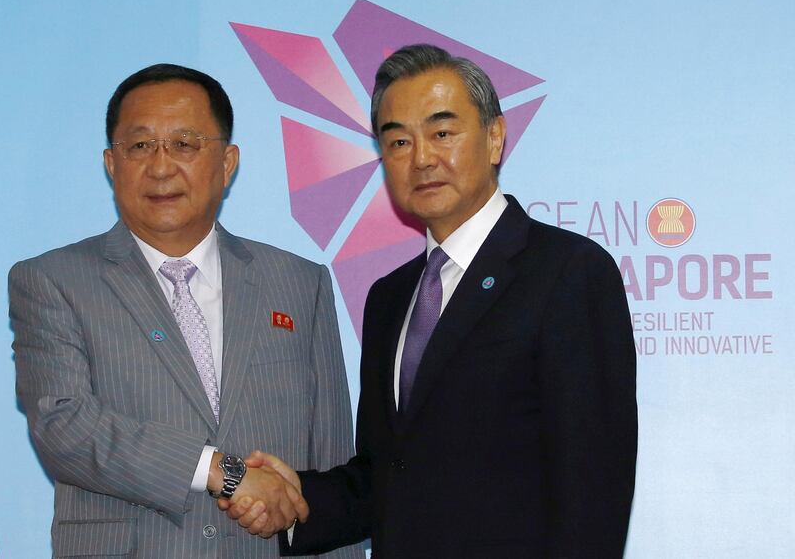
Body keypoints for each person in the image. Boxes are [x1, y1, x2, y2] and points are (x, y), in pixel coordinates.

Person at [226, 44, 638, 558]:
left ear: (494, 138)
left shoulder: (567, 272)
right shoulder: (390, 298)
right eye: (398, 141)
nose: (421, 158)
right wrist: (296, 500)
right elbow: (385, 476)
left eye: (442, 133)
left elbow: (593, 490)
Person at [9, 64, 363, 558]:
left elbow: (331, 473)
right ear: (112, 163)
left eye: (184, 144)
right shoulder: (53, 281)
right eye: (139, 146)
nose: (160, 166)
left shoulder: (300, 283)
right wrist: (222, 470)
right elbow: (64, 426)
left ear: (227, 162)